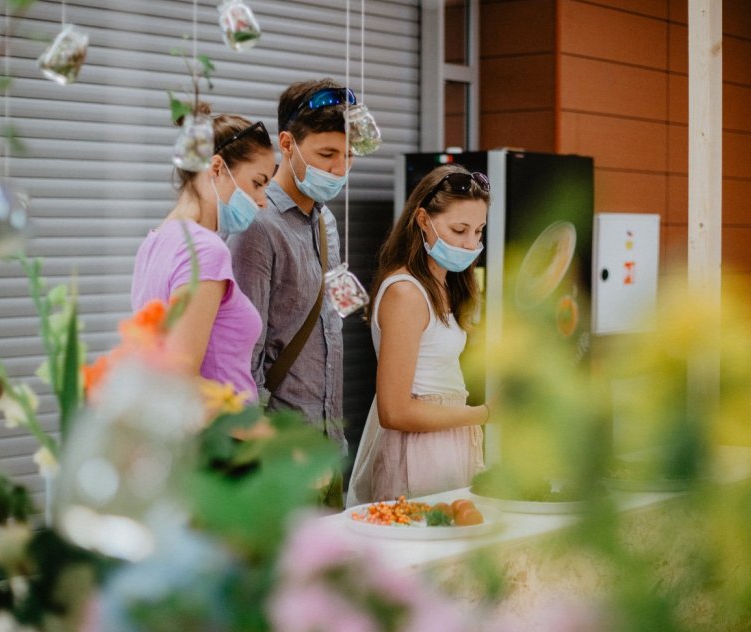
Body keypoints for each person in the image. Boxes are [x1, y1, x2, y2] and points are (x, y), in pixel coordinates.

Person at [347, 164, 492, 506]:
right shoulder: (406, 293)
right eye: (459, 230)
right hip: (419, 452)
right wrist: (485, 413)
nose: (471, 244)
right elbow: (395, 411)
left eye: (479, 231)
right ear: (423, 220)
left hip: (447, 441)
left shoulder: (445, 285)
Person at [228, 79, 353, 453]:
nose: (339, 169)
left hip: (327, 444)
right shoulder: (258, 224)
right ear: (286, 144)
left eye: (349, 156)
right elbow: (243, 352)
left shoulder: (325, 220)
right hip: (281, 455)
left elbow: (329, 323)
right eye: (327, 153)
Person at [131, 107, 274, 400]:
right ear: (217, 168)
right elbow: (182, 380)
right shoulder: (205, 250)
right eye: (257, 183)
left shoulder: (155, 242)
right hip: (221, 440)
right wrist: (265, 434)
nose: (262, 202)